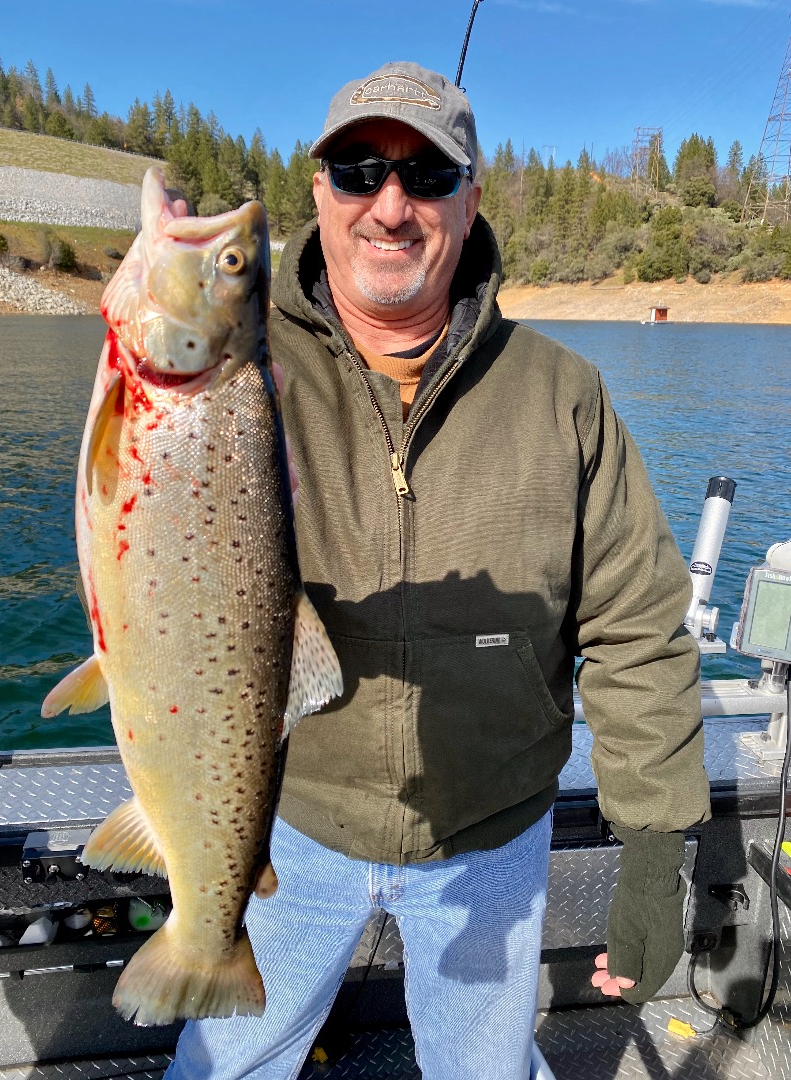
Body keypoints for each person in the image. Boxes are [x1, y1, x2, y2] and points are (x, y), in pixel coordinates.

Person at [166, 61, 710, 1080]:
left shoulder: (565, 395)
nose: (391, 206)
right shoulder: (236, 370)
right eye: (360, 169)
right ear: (317, 193)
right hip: (285, 826)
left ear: (472, 199)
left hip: (492, 839)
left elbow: (637, 626)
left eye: (426, 176)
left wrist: (655, 848)